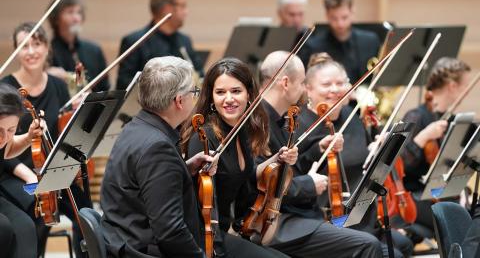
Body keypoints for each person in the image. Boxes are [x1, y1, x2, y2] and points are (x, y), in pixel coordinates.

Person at [257, 51, 384, 258]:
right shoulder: (264, 123)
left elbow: (287, 169)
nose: (301, 94)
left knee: (390, 245)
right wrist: (308, 183)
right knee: (369, 245)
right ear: (287, 83)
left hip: (304, 214)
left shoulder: (280, 120)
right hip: (279, 220)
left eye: (340, 83)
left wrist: (317, 150)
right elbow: (265, 181)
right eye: (301, 85)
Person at [295, 52, 413, 257]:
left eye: (340, 83)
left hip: (362, 215)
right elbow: (295, 175)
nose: (334, 90)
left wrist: (379, 151)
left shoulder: (352, 116)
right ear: (308, 89)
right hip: (326, 220)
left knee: (404, 244)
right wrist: (318, 149)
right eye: (326, 84)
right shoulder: (300, 126)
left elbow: (365, 167)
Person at [101, 56, 217, 257]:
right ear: (179, 101)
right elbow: (170, 232)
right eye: (194, 92)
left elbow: (143, 184)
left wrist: (184, 169)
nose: (195, 97)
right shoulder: (158, 147)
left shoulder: (134, 128)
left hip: (124, 240)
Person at [182, 58, 296, 257]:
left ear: (249, 94)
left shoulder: (240, 129)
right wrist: (219, 247)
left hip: (230, 228)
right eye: (220, 92)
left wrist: (277, 160)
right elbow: (205, 206)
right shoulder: (204, 138)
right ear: (210, 97)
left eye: (236, 91)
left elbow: (246, 175)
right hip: (206, 237)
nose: (228, 99)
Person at [0, 22, 90, 257]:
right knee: (36, 205)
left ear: (47, 48)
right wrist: (30, 175)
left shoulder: (58, 86)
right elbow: (3, 148)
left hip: (49, 168)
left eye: (37, 44)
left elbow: (60, 134)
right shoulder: (6, 89)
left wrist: (79, 113)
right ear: (16, 51)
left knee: (85, 209)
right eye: (24, 45)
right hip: (14, 171)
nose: (31, 51)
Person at [401, 57, 472, 239]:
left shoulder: (452, 120)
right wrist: (424, 136)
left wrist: (463, 192)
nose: (466, 91)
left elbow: (454, 165)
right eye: (464, 86)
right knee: (463, 223)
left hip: (439, 193)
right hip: (413, 196)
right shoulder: (417, 116)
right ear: (452, 86)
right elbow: (400, 164)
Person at [116, 0, 203, 90]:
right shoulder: (135, 42)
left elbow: (200, 75)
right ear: (167, 9)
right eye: (182, 6)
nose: (186, 12)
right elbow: (124, 84)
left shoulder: (185, 41)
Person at [0, 83, 44, 258]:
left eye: (11, 130)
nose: (4, 138)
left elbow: (8, 150)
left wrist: (28, 137)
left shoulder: (5, 138)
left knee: (25, 227)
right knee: (3, 228)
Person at [298, 0, 380, 83]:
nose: (340, 23)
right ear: (327, 15)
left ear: (352, 12)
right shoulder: (312, 47)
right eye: (334, 18)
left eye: (344, 17)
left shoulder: (371, 41)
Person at [47, 0, 110, 93]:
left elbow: (104, 87)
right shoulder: (46, 51)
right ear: (56, 19)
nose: (76, 18)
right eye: (70, 12)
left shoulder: (94, 50)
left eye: (79, 13)